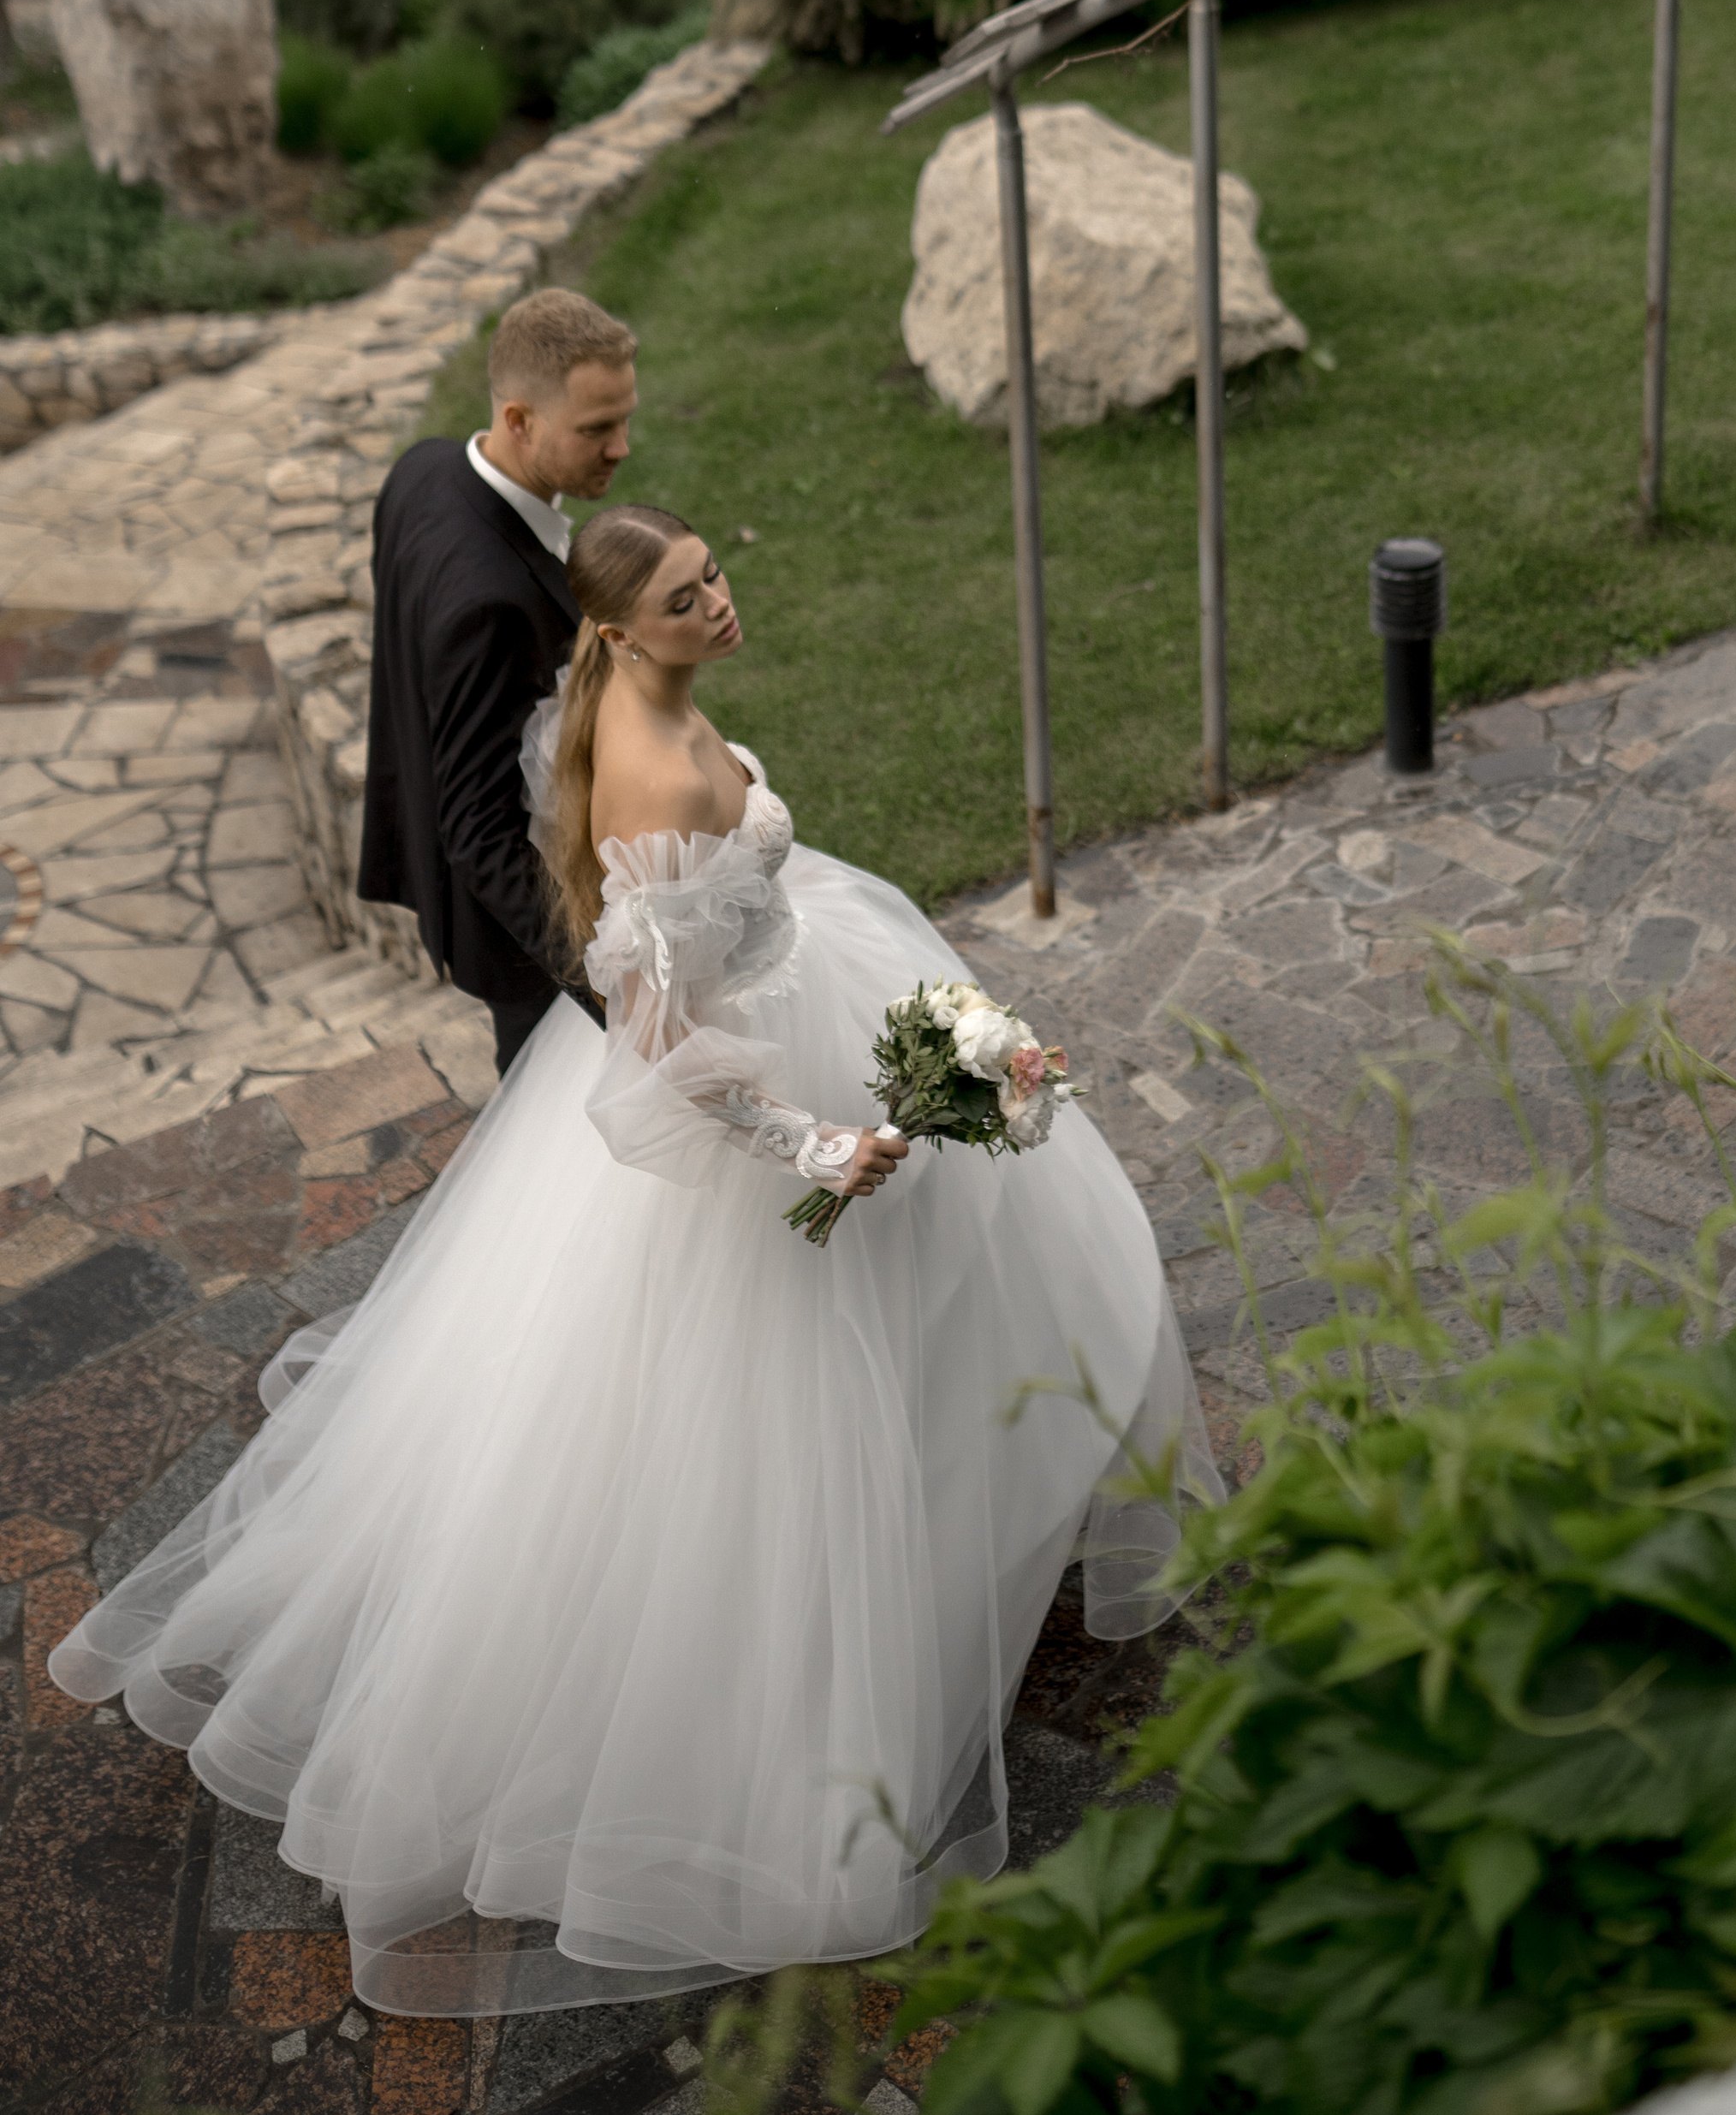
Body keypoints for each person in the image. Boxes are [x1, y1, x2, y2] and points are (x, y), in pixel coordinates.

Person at [49, 502, 1215, 2019]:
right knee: (770, 1429)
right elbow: (656, 1056)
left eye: (715, 572)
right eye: (687, 595)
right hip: (754, 1102)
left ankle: (974, 1533)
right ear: (615, 628)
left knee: (986, 1270)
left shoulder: (641, 704)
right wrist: (812, 1147)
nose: (721, 602)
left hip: (813, 984)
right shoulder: (652, 779)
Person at [360, 288, 639, 1073]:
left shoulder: (423, 471)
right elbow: (480, 832)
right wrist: (609, 990)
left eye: (624, 418)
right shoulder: (491, 601)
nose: (622, 446)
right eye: (596, 429)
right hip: (527, 951)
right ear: (519, 420)